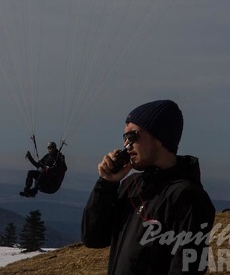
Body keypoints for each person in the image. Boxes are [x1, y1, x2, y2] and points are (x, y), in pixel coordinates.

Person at [81, 99, 215, 274]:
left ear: (159, 137)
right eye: (124, 137)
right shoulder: (132, 185)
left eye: (132, 136)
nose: (126, 145)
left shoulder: (187, 196)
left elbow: (186, 268)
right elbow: (93, 238)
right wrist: (107, 184)